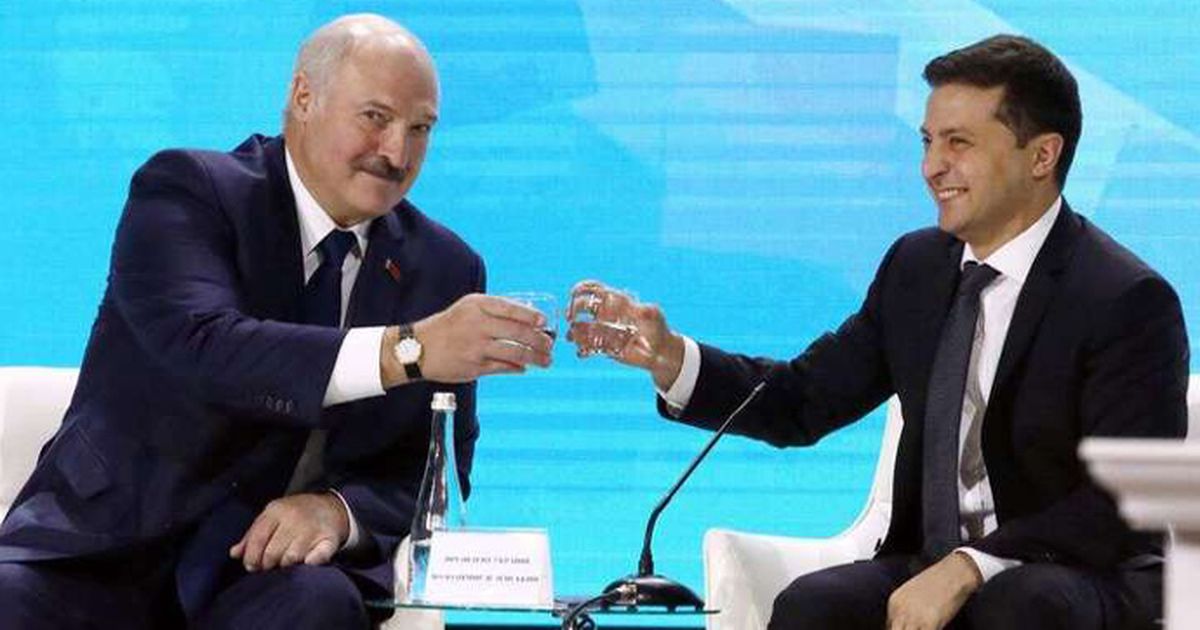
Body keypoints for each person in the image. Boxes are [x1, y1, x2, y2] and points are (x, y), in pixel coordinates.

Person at [568, 35, 1188, 630]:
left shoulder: (1124, 299)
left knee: (1020, 604)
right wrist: (671, 358)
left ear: (1042, 156)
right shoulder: (917, 269)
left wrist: (972, 566)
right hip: (931, 562)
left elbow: (1121, 500)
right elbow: (803, 400)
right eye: (927, 141)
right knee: (815, 606)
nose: (932, 167)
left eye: (959, 142)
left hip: (1081, 574)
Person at [0, 13, 553, 629]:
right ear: (304, 97)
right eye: (375, 118)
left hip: (269, 573)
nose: (397, 153)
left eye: (419, 129)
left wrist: (339, 512)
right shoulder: (189, 192)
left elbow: (435, 470)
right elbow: (207, 346)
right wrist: (409, 350)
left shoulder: (445, 269)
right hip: (108, 549)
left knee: (321, 603)